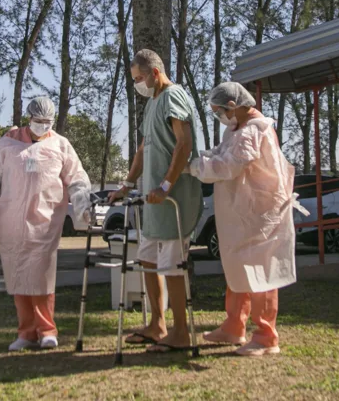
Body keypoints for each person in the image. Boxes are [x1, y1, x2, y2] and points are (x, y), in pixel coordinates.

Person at [189, 82, 298, 357]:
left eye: (219, 111)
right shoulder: (236, 129)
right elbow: (222, 153)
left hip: (260, 214)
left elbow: (229, 165)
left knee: (261, 271)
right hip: (244, 213)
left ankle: (266, 336)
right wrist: (203, 156)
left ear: (233, 106)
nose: (219, 116)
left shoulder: (253, 130)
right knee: (238, 266)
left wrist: (194, 167)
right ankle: (234, 325)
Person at [109, 49, 204, 353]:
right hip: (152, 203)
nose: (138, 84)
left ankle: (181, 333)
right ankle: (157, 325)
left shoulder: (173, 96)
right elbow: (142, 149)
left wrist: (164, 185)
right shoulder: (152, 103)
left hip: (172, 198)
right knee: (148, 260)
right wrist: (125, 184)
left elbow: (184, 142)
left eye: (139, 78)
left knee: (173, 266)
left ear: (155, 73)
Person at [0, 97, 92, 352]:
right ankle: (26, 331)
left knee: (42, 277)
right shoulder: (8, 143)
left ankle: (47, 330)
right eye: (38, 121)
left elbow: (77, 177)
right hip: (10, 221)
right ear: (29, 118)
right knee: (18, 275)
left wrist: (81, 204)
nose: (43, 125)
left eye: (47, 122)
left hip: (45, 221)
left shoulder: (60, 145)